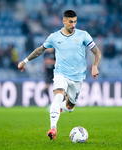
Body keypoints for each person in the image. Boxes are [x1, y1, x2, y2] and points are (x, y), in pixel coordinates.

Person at [18, 10, 102, 140]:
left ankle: (60, 108)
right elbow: (40, 50)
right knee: (58, 96)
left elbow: (97, 52)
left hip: (78, 77)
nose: (73, 24)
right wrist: (24, 61)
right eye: (70, 22)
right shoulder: (54, 37)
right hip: (60, 73)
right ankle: (53, 128)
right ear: (63, 21)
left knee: (70, 107)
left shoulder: (83, 35)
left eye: (75, 21)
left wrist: (95, 66)